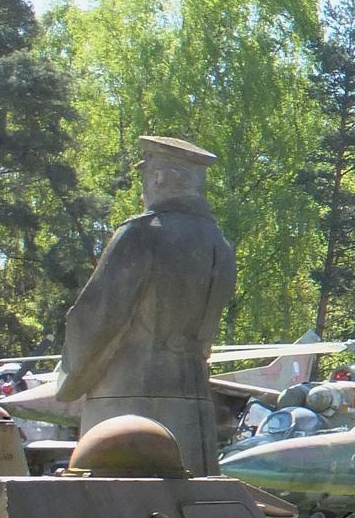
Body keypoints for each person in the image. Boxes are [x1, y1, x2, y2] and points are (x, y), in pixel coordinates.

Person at [56, 136, 236, 474]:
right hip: (193, 406)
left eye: (149, 175)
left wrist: (70, 380)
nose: (147, 186)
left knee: (115, 509)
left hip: (126, 404)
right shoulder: (220, 245)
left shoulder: (142, 234)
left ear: (160, 178)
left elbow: (95, 317)